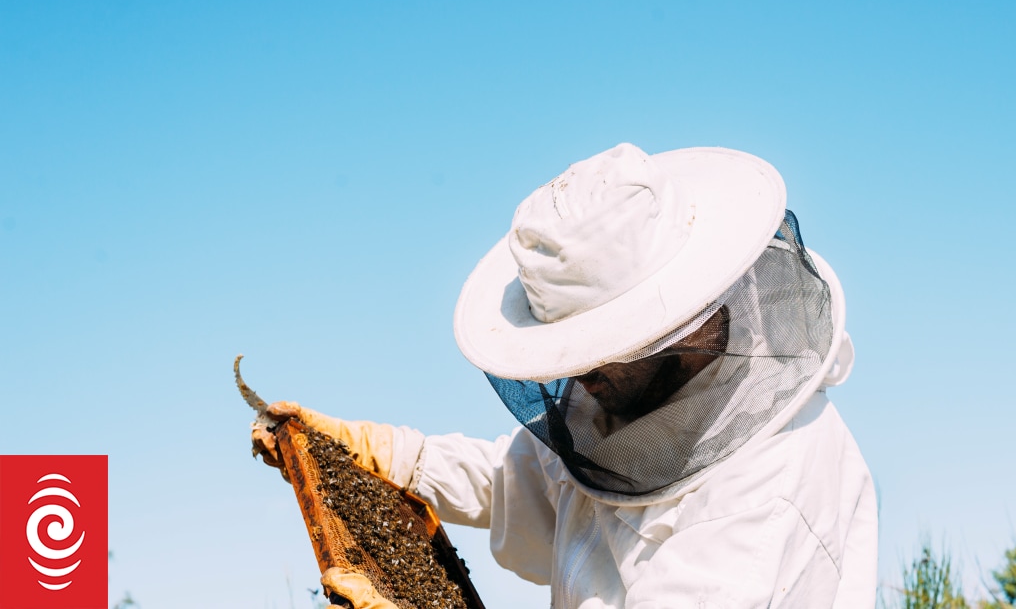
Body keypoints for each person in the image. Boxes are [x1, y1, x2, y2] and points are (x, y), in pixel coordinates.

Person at [252, 143, 878, 608]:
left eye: (594, 352)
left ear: (673, 328)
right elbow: (521, 482)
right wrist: (388, 455)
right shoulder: (627, 412)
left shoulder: (766, 495)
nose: (578, 378)